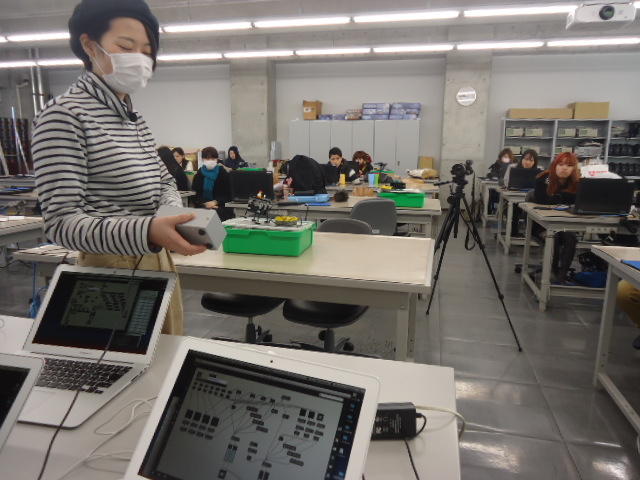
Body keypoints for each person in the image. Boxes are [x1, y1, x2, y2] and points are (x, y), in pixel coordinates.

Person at [32, 0, 206, 336]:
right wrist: (148, 230)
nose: (139, 59)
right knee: (122, 363)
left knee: (165, 356)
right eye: (126, 47)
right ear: (89, 45)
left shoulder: (133, 119)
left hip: (156, 259)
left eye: (147, 51)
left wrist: (172, 215)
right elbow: (60, 223)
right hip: (108, 270)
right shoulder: (64, 116)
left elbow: (164, 180)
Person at [533, 152, 581, 284]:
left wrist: (558, 197)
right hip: (540, 224)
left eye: (569, 165)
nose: (564, 168)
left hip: (563, 223)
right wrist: (563, 197)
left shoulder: (577, 182)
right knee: (553, 237)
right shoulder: (543, 179)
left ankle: (562, 275)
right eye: (561, 164)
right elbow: (543, 200)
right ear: (555, 165)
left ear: (574, 168)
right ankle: (551, 272)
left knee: (571, 238)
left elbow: (577, 200)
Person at [504, 149, 542, 236]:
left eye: (531, 160)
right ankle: (513, 232)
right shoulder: (512, 167)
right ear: (522, 159)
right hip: (514, 196)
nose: (527, 162)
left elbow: (540, 186)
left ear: (535, 162)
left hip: (531, 198)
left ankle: (532, 233)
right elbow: (506, 181)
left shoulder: (539, 170)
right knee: (515, 208)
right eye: (525, 159)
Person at [192, 147, 233, 220]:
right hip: (202, 207)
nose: (210, 161)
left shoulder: (223, 173)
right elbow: (195, 194)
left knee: (217, 214)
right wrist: (205, 204)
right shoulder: (199, 175)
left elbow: (229, 195)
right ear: (203, 159)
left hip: (221, 206)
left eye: (213, 158)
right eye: (207, 158)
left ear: (217, 159)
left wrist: (215, 202)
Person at [487, 148, 516, 214]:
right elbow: (492, 174)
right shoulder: (497, 164)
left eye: (508, 157)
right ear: (501, 156)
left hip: (509, 188)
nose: (506, 158)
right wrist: (497, 178)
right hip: (497, 187)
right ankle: (494, 211)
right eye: (504, 156)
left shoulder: (513, 166)